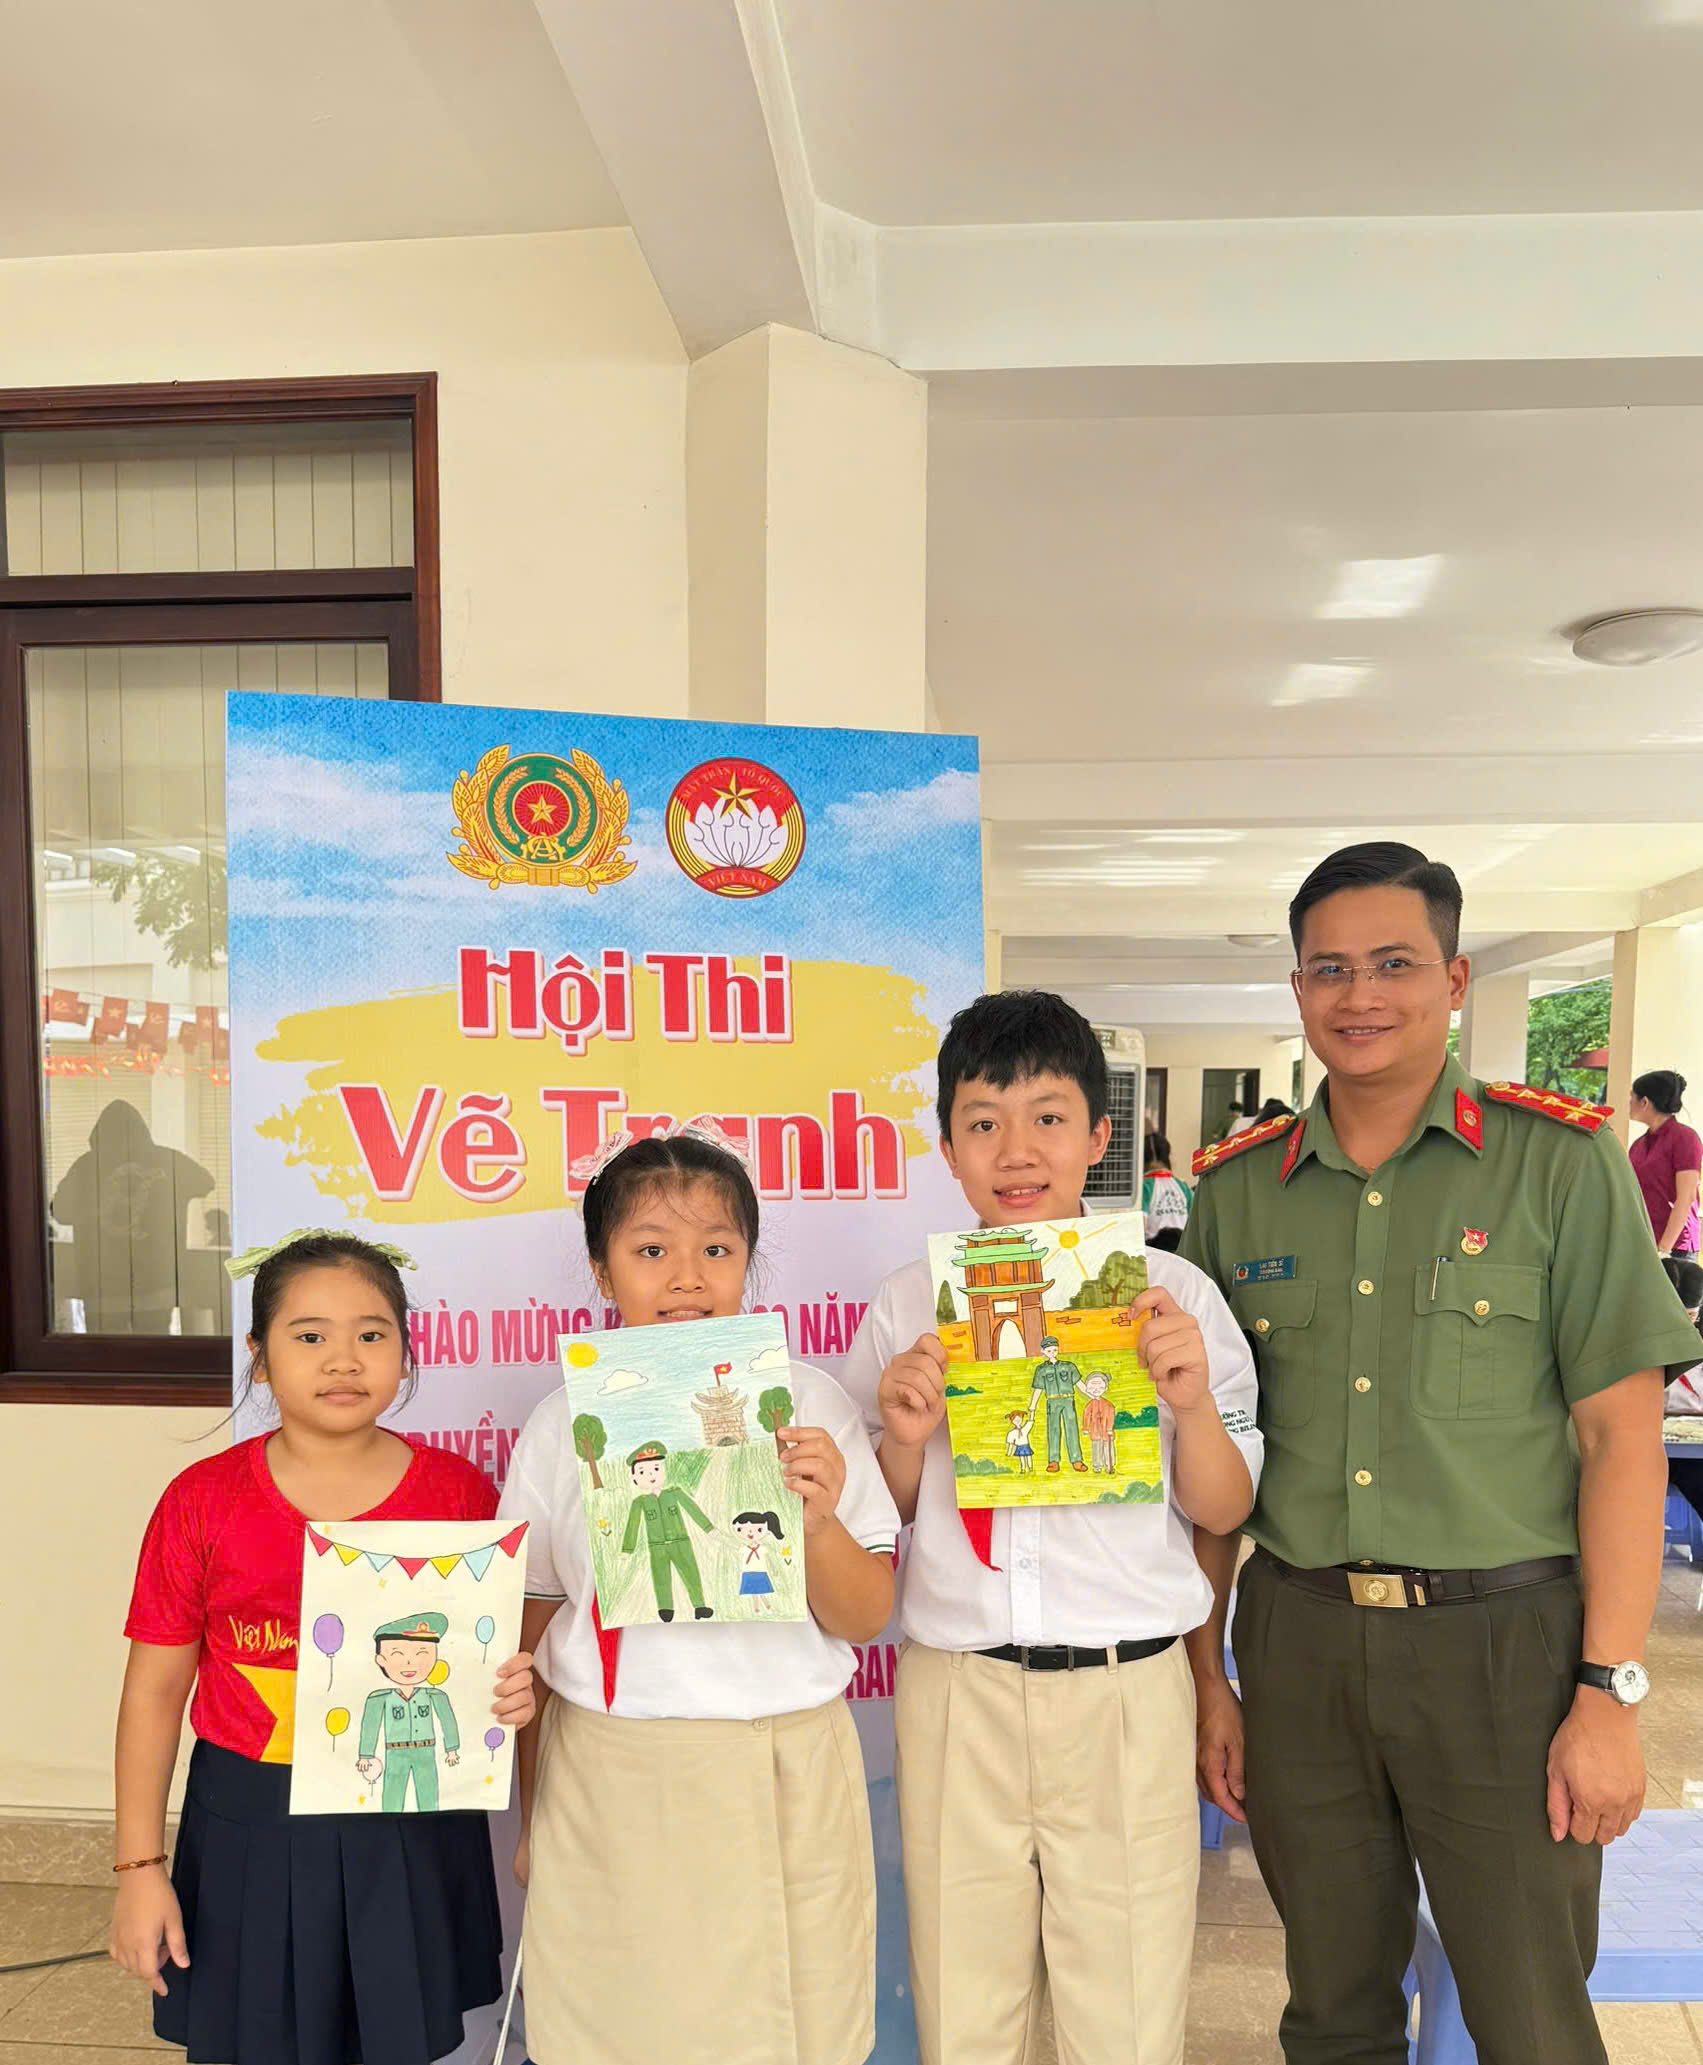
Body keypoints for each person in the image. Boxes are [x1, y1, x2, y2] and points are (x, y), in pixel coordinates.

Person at [1180, 842, 1703, 2065]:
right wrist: (1208, 1678)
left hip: (1504, 1653)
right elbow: (1206, 1459)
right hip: (1299, 1642)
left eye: (1393, 964)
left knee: (1529, 2017)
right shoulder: (1235, 1194)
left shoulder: (1557, 1162)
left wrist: (1607, 1692)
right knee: (1330, 2011)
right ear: (1297, 989)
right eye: (1328, 969)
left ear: (1454, 979)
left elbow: (1620, 1440)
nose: (1358, 995)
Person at [843, 989, 1262, 2065]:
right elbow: (874, 1519)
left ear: (1098, 1135)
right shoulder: (905, 1305)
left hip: (1124, 1692)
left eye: (1046, 1117)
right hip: (958, 1690)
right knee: (962, 2004)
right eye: (982, 1122)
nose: (1015, 1150)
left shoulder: (1169, 1295)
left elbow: (1222, 1508)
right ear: (947, 1147)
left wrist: (1189, 1405)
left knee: (1123, 2010)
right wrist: (903, 1437)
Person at [500, 1130, 900, 2065]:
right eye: (651, 1249)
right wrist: (532, 1817)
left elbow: (868, 1614)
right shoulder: (561, 1425)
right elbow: (531, 1629)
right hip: (612, 1771)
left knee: (798, 2028)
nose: (686, 1277)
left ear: (747, 1262)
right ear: (602, 1269)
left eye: (716, 1248)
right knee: (615, 2028)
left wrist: (818, 1520)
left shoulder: (807, 1407)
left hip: (786, 1763)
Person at [110, 1231, 537, 2065]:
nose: (343, 1358)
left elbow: (486, 1660)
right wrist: (137, 1867)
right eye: (309, 1335)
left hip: (411, 1819)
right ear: (259, 1354)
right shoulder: (201, 1500)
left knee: (397, 2033)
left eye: (371, 1334)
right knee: (260, 2034)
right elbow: (152, 1695)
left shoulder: (459, 1492)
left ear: (405, 1352)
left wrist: (510, 1689)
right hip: (250, 1817)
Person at [356, 1613, 462, 1811]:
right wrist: (365, 1754)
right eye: (398, 1655)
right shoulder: (379, 1698)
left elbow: (447, 1719)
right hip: (395, 1751)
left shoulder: (435, 1695)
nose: (410, 1663)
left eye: (422, 1654)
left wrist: (452, 1749)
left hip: (426, 1750)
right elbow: (371, 1724)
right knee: (392, 1795)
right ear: (381, 1659)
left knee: (429, 1796)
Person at [619, 1438, 715, 1620]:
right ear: (634, 1478)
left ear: (664, 1470)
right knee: (661, 1577)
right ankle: (665, 1609)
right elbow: (633, 1526)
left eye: (656, 1468)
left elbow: (693, 1510)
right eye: (642, 1471)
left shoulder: (675, 1493)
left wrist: (709, 1528)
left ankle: (700, 1606)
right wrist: (627, 1549)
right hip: (657, 1546)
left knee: (690, 1573)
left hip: (681, 1542)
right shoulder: (639, 1502)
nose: (651, 1475)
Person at [1629, 1069, 1702, 1259]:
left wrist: (1663, 1250)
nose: (1629, 1102)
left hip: (1676, 1247)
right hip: (1646, 1244)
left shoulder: (1685, 1138)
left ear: (1644, 1102)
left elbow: (1686, 1198)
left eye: (1632, 1097)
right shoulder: (1637, 1146)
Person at [1025, 1332, 1089, 1472]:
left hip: (1068, 1400)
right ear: (1043, 1351)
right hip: (1052, 1402)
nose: (1052, 1353)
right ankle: (1053, 1461)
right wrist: (1032, 1406)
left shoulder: (1069, 1366)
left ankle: (1077, 1460)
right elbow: (1038, 1389)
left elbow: (1080, 1384)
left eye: (1054, 1349)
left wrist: (1092, 1395)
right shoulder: (1041, 1369)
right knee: (1053, 1429)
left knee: (1072, 1429)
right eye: (1049, 1351)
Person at [1142, 1131, 1192, 1251]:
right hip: (1182, 1252)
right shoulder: (1184, 1187)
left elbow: (1139, 1228)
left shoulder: (1143, 1188)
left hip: (1155, 1252)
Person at [732, 1509, 785, 1611]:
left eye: (759, 1529)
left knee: (760, 1591)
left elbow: (768, 1560)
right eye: (740, 1529)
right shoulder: (744, 1549)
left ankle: (766, 1605)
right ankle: (757, 1607)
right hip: (748, 1572)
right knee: (753, 1591)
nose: (750, 1533)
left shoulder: (762, 1549)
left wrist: (773, 1569)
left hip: (760, 1571)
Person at [1081, 1371, 1117, 1474]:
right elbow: (1086, 1416)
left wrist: (1109, 1428)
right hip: (1095, 1432)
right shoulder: (1089, 1405)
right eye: (1092, 1386)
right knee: (1096, 1449)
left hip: (1106, 1433)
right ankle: (1097, 1466)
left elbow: (1111, 1417)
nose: (1096, 1389)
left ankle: (1109, 1466)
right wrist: (1085, 1428)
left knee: (1108, 1449)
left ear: (1105, 1388)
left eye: (1099, 1387)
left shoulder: (1108, 1405)